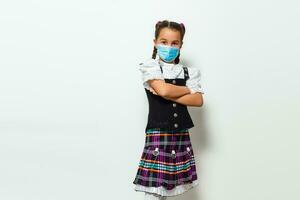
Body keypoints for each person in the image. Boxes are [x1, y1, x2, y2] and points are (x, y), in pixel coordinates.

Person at [132, 20, 205, 200]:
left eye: (174, 43)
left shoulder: (189, 72)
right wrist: (188, 89)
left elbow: (198, 100)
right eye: (164, 42)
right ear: (155, 42)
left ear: (181, 45)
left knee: (172, 187)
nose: (169, 47)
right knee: (154, 189)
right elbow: (163, 91)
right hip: (158, 133)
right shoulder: (150, 67)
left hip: (180, 134)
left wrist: (172, 92)